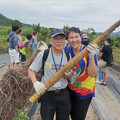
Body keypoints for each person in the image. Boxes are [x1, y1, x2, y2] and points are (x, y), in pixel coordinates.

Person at [28, 29, 72, 120]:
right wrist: (35, 82)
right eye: (56, 39)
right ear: (50, 41)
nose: (59, 41)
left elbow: (70, 75)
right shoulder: (44, 54)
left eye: (61, 38)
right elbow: (31, 70)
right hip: (47, 95)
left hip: (63, 94)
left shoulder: (67, 56)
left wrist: (68, 75)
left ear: (65, 41)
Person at [65, 27, 98, 120]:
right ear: (68, 39)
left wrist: (91, 57)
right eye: (71, 37)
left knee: (78, 117)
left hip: (85, 90)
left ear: (81, 38)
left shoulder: (88, 51)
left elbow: (92, 74)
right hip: (70, 88)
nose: (74, 40)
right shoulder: (67, 50)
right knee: (68, 113)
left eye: (76, 37)